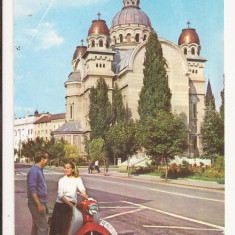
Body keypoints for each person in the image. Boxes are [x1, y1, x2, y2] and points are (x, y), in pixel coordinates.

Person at [49, 162, 89, 235]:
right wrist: (71, 206)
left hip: (71, 204)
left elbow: (82, 189)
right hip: (61, 204)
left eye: (68, 168)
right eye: (65, 168)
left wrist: (85, 195)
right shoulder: (62, 180)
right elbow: (60, 195)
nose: (66, 170)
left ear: (73, 169)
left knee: (68, 227)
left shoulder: (77, 179)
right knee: (57, 228)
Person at [27, 153, 49, 235]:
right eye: (47, 159)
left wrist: (44, 204)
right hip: (35, 204)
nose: (48, 161)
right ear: (42, 159)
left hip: (39, 202)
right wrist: (39, 205)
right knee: (44, 228)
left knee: (36, 227)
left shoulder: (38, 170)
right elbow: (33, 189)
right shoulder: (34, 171)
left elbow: (40, 189)